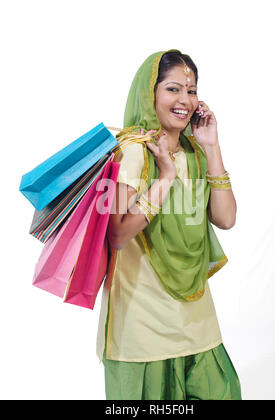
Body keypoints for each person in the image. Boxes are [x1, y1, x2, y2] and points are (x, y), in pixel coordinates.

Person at [96, 49, 242, 400]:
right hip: (143, 324)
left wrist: (212, 146)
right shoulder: (131, 151)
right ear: (151, 94)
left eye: (191, 91)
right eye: (173, 89)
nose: (185, 100)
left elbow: (226, 218)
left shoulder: (195, 150)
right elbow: (116, 234)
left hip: (196, 318)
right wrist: (165, 178)